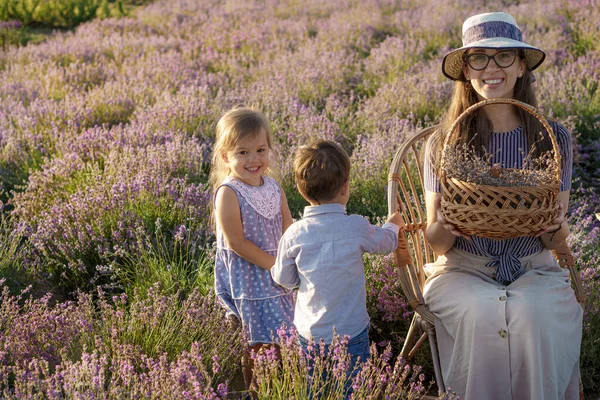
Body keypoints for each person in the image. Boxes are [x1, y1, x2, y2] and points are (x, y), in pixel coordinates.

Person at [423, 12, 582, 399]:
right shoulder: (444, 143)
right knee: (479, 313)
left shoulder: (552, 138)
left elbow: (553, 242)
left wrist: (556, 227)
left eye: (504, 57)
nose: (491, 68)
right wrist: (447, 225)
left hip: (533, 269)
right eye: (479, 58)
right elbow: (437, 243)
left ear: (522, 66)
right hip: (463, 270)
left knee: (534, 315)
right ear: (465, 71)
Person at [270, 139, 403, 388]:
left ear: (301, 190)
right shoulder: (356, 226)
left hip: (309, 335)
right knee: (351, 389)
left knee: (315, 388)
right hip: (351, 332)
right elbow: (386, 243)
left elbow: (283, 279)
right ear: (345, 188)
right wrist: (393, 224)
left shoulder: (294, 233)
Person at [209, 107, 295, 393]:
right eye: (242, 153)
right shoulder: (229, 192)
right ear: (226, 157)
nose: (254, 159)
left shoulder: (273, 187)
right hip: (250, 279)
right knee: (257, 345)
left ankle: (279, 390)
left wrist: (293, 260)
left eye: (260, 150)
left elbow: (287, 229)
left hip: (277, 275)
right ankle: (255, 391)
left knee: (284, 338)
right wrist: (275, 264)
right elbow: (236, 242)